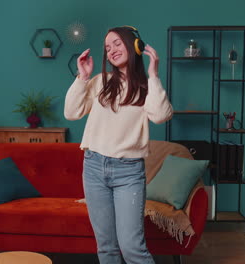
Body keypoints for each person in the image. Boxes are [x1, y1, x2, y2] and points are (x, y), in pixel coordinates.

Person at [64, 26, 173, 264]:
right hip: (93, 168)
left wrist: (154, 75)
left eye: (116, 43)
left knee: (132, 248)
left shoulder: (146, 86)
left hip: (129, 172)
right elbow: (71, 112)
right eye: (107, 47)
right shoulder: (99, 82)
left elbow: (161, 115)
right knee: (106, 248)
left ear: (135, 45)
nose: (111, 50)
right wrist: (82, 77)